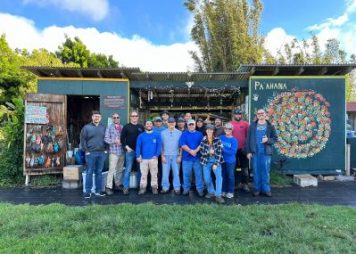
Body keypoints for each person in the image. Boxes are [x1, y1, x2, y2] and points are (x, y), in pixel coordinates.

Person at [245, 109, 277, 197]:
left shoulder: (270, 126)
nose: (260, 114)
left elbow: (275, 139)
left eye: (262, 113)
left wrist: (267, 140)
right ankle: (256, 189)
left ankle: (266, 189)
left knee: (266, 171)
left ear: (265, 114)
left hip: (266, 153)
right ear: (257, 115)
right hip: (255, 152)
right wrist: (248, 152)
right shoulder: (252, 126)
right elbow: (248, 139)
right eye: (258, 113)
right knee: (256, 171)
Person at [80, 111, 108, 199]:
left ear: (101, 118)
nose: (97, 118)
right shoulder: (86, 127)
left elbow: (107, 139)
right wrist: (86, 150)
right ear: (92, 117)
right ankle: (88, 191)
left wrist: (106, 149)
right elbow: (82, 139)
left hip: (101, 153)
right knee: (89, 172)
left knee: (99, 172)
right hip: (90, 153)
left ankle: (98, 190)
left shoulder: (103, 127)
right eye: (95, 116)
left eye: (98, 116)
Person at [121, 111, 144, 195]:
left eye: (136, 116)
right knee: (128, 169)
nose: (134, 117)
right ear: (130, 117)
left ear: (138, 117)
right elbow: (122, 139)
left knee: (140, 170)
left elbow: (144, 139)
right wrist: (126, 147)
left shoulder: (141, 127)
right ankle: (125, 187)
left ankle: (140, 186)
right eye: (133, 116)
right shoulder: (126, 127)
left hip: (139, 152)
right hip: (130, 151)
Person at [200, 124, 225, 204]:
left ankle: (218, 195)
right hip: (206, 161)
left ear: (213, 131)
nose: (209, 131)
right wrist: (209, 152)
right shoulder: (203, 140)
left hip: (215, 160)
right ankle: (211, 191)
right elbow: (202, 152)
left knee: (219, 177)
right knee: (206, 178)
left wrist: (216, 163)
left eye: (211, 130)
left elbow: (219, 152)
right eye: (208, 130)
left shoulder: (217, 140)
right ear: (206, 131)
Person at [179, 119, 204, 196]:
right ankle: (186, 189)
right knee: (186, 175)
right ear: (187, 125)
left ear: (195, 125)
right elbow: (182, 144)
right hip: (186, 159)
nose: (191, 126)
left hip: (197, 158)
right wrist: (191, 151)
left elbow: (202, 144)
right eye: (189, 124)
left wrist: (195, 151)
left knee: (199, 175)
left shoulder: (200, 134)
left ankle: (200, 190)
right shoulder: (184, 134)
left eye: (192, 124)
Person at [136, 120, 161, 195]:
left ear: (153, 125)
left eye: (150, 124)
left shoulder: (157, 135)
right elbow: (138, 146)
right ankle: (142, 188)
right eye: (147, 124)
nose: (149, 125)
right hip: (143, 159)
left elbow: (159, 146)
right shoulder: (141, 135)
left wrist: (157, 155)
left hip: (153, 158)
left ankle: (154, 188)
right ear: (145, 125)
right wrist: (138, 155)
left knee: (154, 174)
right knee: (143, 175)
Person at [160, 117, 182, 194]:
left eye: (172, 123)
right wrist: (162, 156)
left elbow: (181, 146)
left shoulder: (179, 133)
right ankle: (165, 187)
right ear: (167, 123)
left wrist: (180, 156)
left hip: (176, 155)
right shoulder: (163, 133)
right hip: (166, 155)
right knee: (165, 173)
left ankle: (177, 188)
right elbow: (161, 146)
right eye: (170, 123)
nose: (171, 124)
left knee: (176, 173)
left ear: (175, 123)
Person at [230, 109, 250, 192]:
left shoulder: (245, 124)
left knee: (245, 168)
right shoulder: (230, 124)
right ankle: (234, 184)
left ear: (241, 115)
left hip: (243, 149)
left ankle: (245, 184)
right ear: (234, 115)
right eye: (236, 114)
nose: (238, 116)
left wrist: (248, 148)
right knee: (233, 168)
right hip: (233, 150)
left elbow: (248, 136)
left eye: (239, 114)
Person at [104, 113, 124, 195]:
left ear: (119, 118)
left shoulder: (122, 127)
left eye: (117, 117)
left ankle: (117, 184)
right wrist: (114, 141)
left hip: (121, 151)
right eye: (114, 117)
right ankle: (108, 187)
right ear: (112, 119)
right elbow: (106, 139)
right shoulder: (109, 127)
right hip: (113, 152)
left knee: (119, 170)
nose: (116, 119)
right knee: (111, 170)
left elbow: (125, 138)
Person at [220, 123, 238, 199]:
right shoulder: (221, 137)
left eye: (229, 129)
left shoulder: (234, 140)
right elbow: (216, 146)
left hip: (230, 161)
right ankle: (223, 190)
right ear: (224, 130)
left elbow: (233, 152)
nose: (227, 130)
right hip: (222, 160)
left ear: (232, 130)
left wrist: (223, 148)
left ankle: (230, 191)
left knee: (230, 176)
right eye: (226, 128)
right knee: (223, 176)